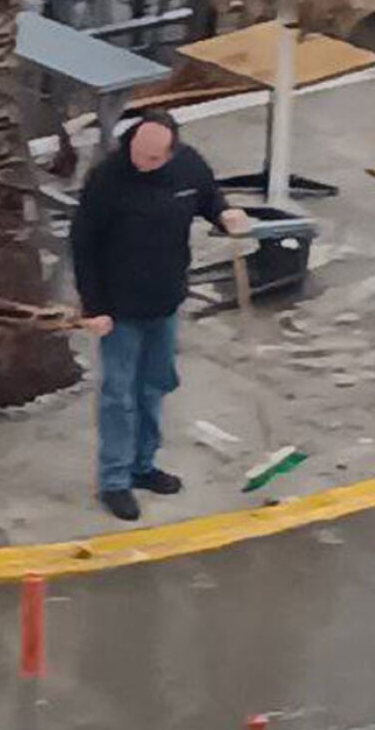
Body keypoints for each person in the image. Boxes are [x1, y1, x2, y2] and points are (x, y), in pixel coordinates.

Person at [70, 111, 249, 520]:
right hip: (118, 309)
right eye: (137, 152)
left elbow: (208, 197)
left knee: (154, 386)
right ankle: (114, 480)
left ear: (170, 152)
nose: (141, 163)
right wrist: (93, 306)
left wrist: (226, 214)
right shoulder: (107, 179)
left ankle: (143, 465)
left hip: (165, 300)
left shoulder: (188, 166)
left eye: (152, 159)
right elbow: (84, 244)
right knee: (119, 395)